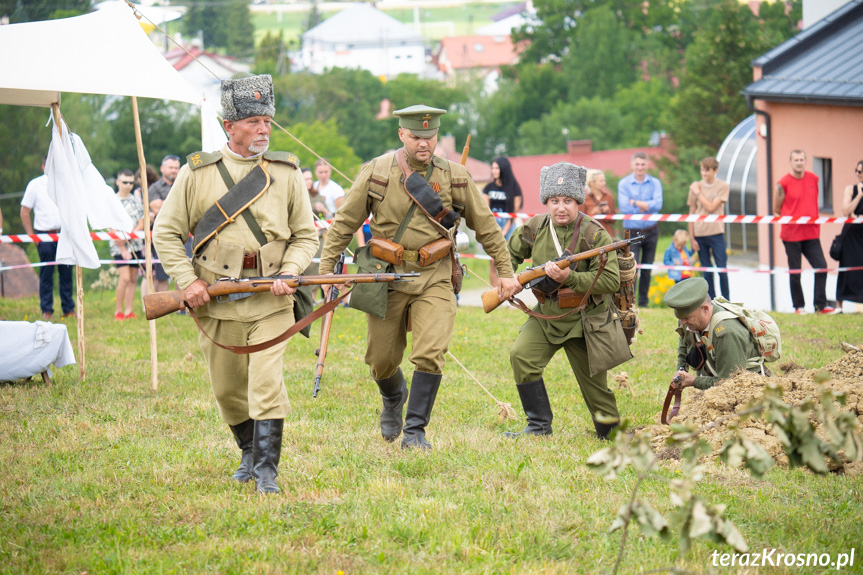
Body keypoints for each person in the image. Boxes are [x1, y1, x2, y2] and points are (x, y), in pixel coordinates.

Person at [318, 104, 521, 450]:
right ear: (401, 135)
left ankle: (415, 432)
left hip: (435, 274)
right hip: (386, 276)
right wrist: (325, 270)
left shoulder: (455, 175)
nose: (423, 143)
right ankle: (394, 396)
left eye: (429, 136)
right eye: (415, 136)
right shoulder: (378, 172)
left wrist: (505, 270)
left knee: (430, 352)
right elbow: (344, 223)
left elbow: (486, 225)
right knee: (381, 361)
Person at [153, 73, 318, 494]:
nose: (263, 129)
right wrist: (187, 281)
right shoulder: (197, 174)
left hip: (271, 299)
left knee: (265, 382)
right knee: (228, 391)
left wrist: (290, 270)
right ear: (230, 126)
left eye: (267, 121)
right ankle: (248, 452)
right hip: (216, 299)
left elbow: (305, 235)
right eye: (253, 122)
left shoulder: (286, 172)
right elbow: (166, 232)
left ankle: (266, 471)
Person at [503, 162, 622, 439]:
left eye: (568, 201)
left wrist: (569, 278)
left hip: (585, 319)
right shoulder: (534, 227)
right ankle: (538, 426)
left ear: (578, 201)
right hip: (547, 314)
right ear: (546, 201)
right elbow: (507, 254)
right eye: (554, 201)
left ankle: (610, 432)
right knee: (521, 355)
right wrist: (509, 279)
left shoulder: (595, 234)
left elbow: (610, 281)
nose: (561, 207)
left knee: (596, 387)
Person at [664, 277, 772, 392]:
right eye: (680, 319)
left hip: (747, 391)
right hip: (715, 389)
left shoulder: (726, 333)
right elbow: (684, 346)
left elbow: (729, 383)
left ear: (705, 309)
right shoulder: (688, 321)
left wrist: (694, 381)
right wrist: (681, 370)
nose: (682, 323)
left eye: (687, 318)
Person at [773, 150, 838, 315]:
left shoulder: (813, 179)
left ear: (805, 161)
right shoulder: (783, 183)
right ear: (791, 162)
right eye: (796, 160)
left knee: (821, 267)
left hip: (811, 234)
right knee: (796, 272)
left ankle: (820, 306)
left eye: (802, 159)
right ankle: (798, 307)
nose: (799, 162)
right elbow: (776, 210)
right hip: (791, 235)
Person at [20, 157, 75, 321]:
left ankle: (68, 308)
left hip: (64, 234)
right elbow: (24, 212)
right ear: (43, 166)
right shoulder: (35, 185)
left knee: (66, 272)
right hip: (43, 235)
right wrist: (32, 236)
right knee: (46, 273)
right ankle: (47, 310)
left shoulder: (65, 183)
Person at [618, 152, 663, 308]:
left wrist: (635, 203)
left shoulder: (655, 183)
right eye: (637, 164)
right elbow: (624, 207)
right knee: (632, 269)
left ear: (647, 165)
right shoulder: (623, 184)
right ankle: (631, 302)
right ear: (632, 165)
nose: (640, 167)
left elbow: (658, 205)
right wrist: (646, 205)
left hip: (652, 230)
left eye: (643, 164)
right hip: (632, 231)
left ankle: (643, 302)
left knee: (647, 268)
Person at [688, 157, 730, 299]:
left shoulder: (723, 186)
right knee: (706, 271)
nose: (704, 173)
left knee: (722, 269)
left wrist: (698, 192)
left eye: (707, 170)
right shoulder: (695, 186)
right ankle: (710, 301)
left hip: (716, 233)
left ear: (715, 171)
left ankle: (726, 301)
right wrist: (692, 238)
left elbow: (711, 208)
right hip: (700, 234)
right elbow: (691, 213)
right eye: (702, 169)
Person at [483, 157, 523, 287]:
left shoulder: (514, 188)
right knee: (493, 262)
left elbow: (514, 213)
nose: (494, 171)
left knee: (508, 262)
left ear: (503, 169)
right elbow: (485, 210)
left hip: (509, 226)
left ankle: (509, 293)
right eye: (492, 168)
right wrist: (494, 230)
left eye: (497, 168)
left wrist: (505, 230)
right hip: (493, 225)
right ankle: (495, 294)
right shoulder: (488, 188)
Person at [111, 169, 145, 320]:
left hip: (135, 244)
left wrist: (129, 236)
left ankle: (128, 311)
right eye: (125, 182)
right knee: (124, 278)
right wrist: (122, 245)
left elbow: (142, 222)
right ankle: (118, 311)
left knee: (132, 278)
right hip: (117, 244)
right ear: (118, 182)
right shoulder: (112, 201)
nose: (128, 185)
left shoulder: (136, 201)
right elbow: (110, 225)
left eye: (131, 183)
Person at [148, 154, 182, 293]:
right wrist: (178, 204)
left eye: (176, 168)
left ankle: (183, 305)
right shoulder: (154, 188)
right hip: (162, 233)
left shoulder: (183, 184)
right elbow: (156, 207)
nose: (174, 170)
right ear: (162, 169)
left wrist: (164, 203)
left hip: (183, 233)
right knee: (162, 273)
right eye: (171, 167)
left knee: (183, 271)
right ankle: (165, 306)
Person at [836, 160, 863, 307]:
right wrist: (859, 196)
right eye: (856, 171)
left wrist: (856, 215)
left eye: (861, 171)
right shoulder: (851, 189)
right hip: (851, 236)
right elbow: (846, 211)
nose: (858, 174)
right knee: (846, 269)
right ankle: (839, 305)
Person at [582, 168, 617, 237]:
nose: (604, 183)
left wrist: (608, 212)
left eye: (604, 181)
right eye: (601, 181)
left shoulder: (609, 197)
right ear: (592, 183)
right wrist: (591, 213)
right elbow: (580, 221)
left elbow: (614, 220)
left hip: (608, 234)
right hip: (591, 235)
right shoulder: (584, 199)